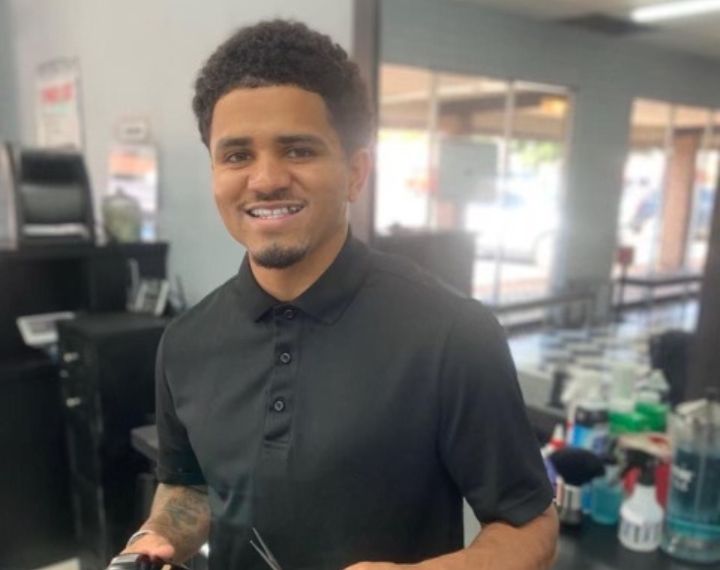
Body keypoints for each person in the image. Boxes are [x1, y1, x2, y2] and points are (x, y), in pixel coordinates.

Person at [118, 19, 558, 570]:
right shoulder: (185, 341)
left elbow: (530, 526)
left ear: (355, 172)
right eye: (237, 156)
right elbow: (192, 486)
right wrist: (152, 542)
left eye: (298, 150)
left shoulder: (452, 333)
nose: (266, 179)